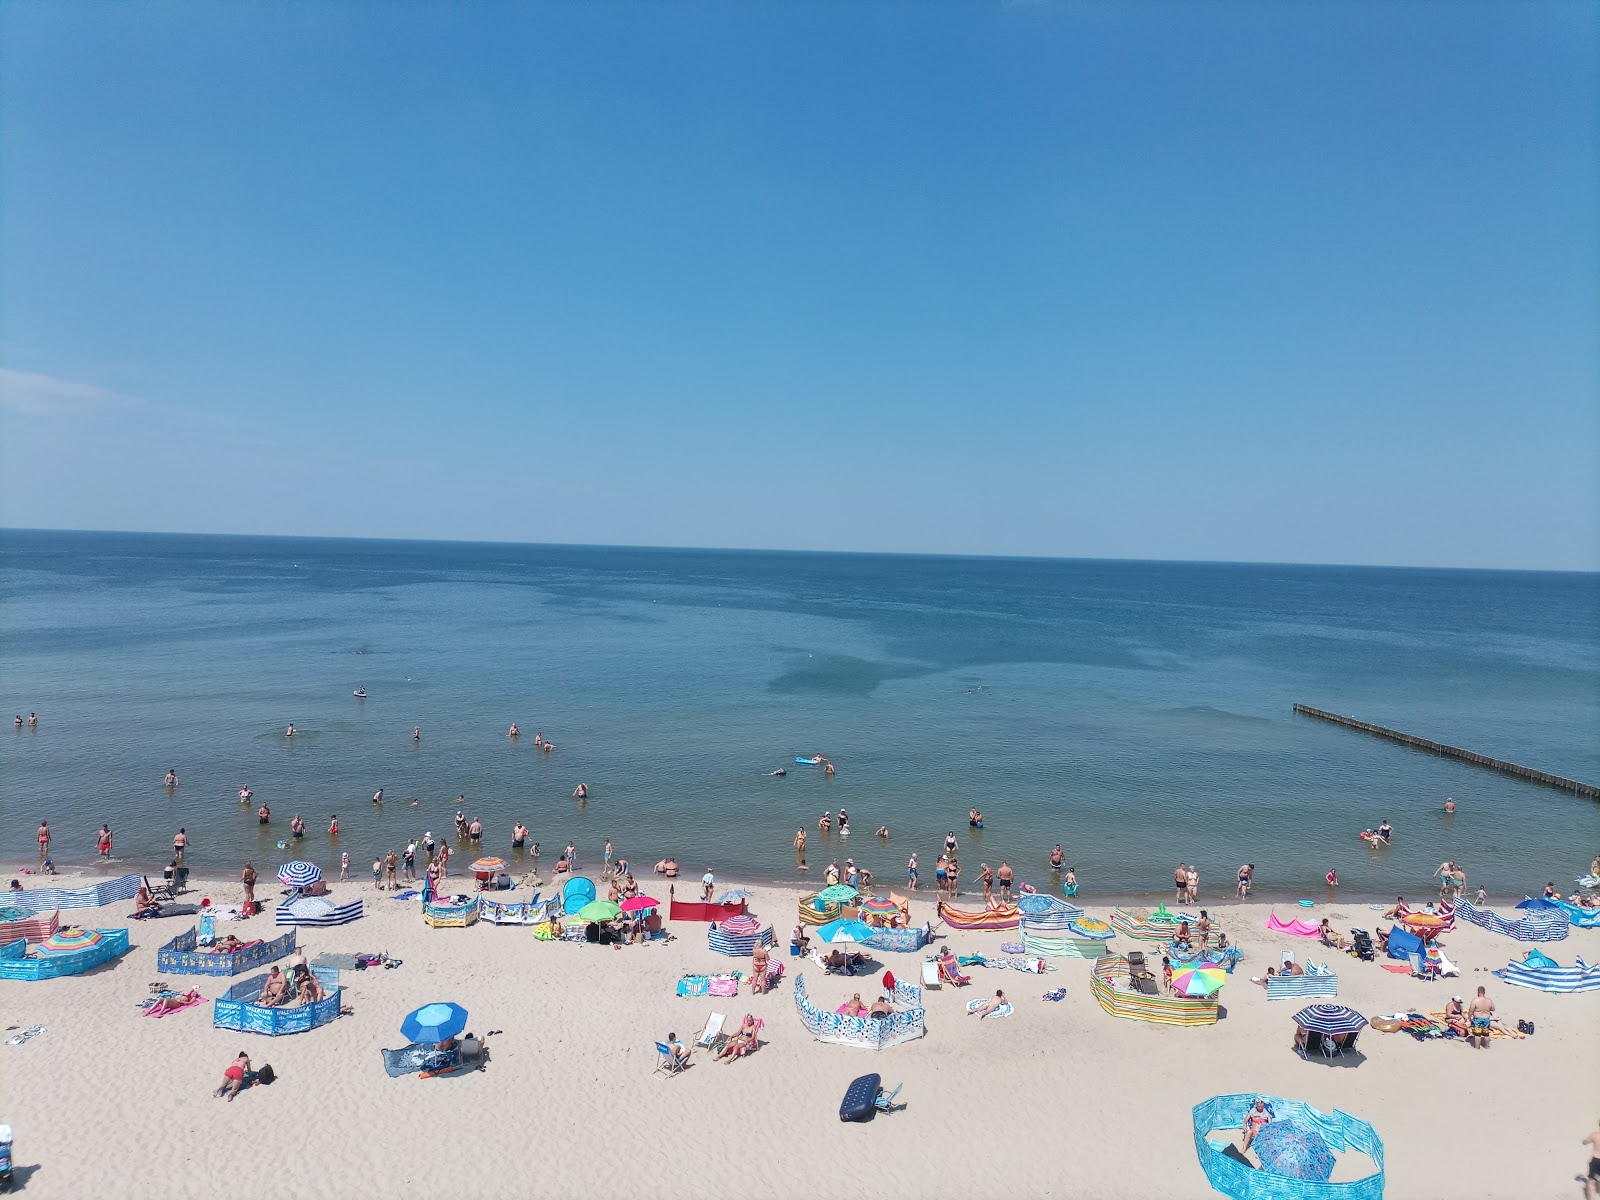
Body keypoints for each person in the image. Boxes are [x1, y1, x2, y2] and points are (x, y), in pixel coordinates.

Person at [1468, 985, 1495, 1050]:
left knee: (1477, 1034)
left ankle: (1477, 1047)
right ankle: (1486, 1046)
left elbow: (1471, 1010)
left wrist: (1469, 1017)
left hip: (1478, 1019)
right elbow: (1493, 1009)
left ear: (1478, 992)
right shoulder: (1489, 1000)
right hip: (1486, 1019)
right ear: (1484, 992)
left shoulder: (1475, 1000)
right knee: (1486, 1034)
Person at [1581, 1123, 1600, 1200]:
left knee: (1591, 1181)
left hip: (1596, 1160)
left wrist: (1584, 1141)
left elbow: (1585, 1142)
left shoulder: (1595, 1135)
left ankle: (1590, 1198)